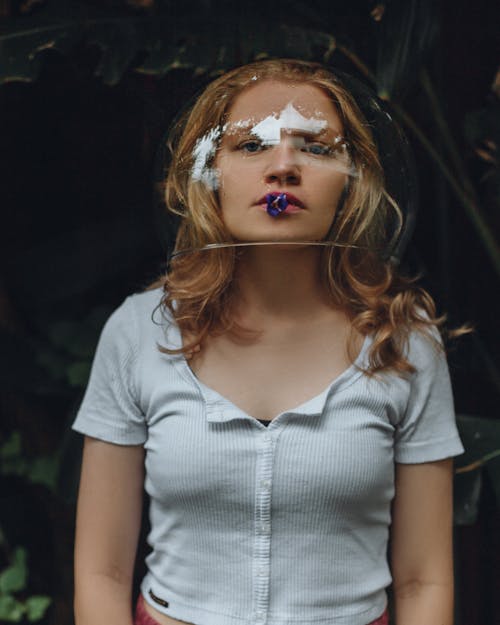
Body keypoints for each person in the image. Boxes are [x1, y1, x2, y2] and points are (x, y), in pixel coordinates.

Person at [72, 58, 464, 625]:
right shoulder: (139, 331)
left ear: (354, 185)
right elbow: (101, 573)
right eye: (251, 146)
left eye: (316, 148)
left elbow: (424, 579)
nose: (283, 167)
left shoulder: (403, 342)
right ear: (208, 174)